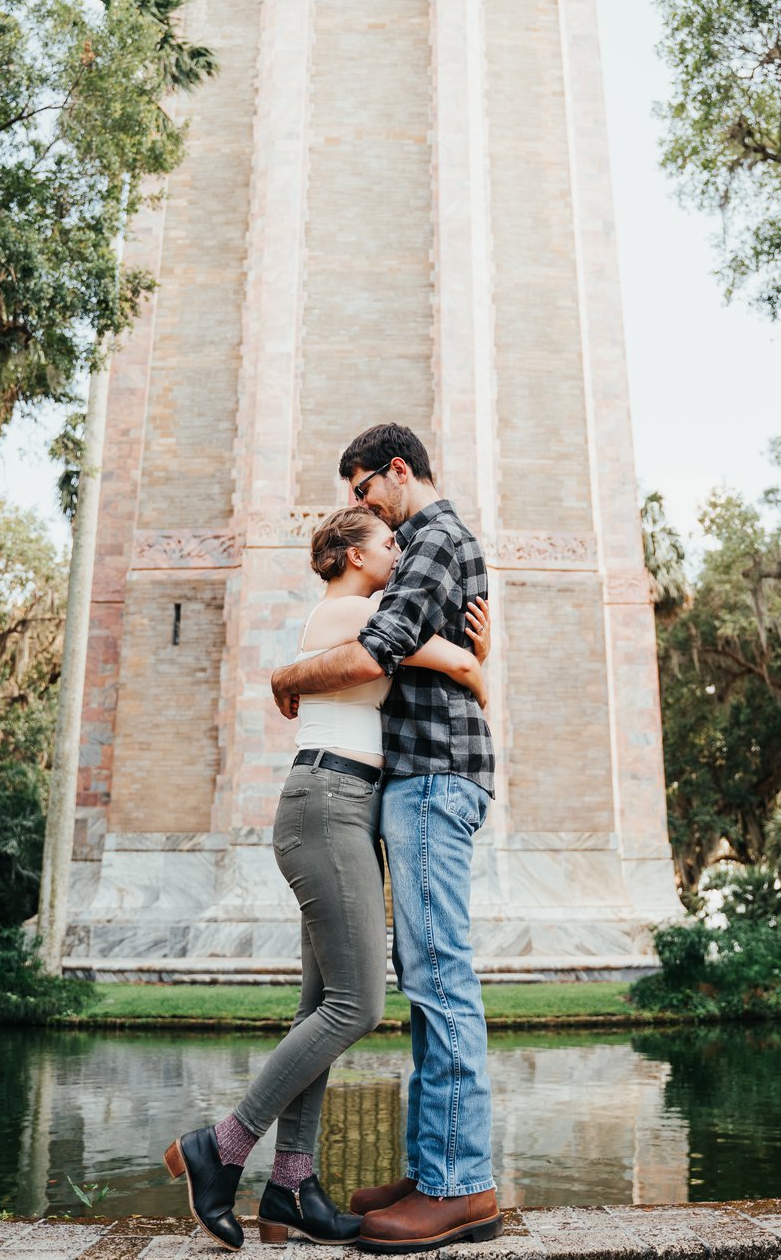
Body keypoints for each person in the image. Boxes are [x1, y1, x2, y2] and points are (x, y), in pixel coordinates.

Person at [164, 505, 489, 1252]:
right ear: (350, 553)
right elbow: (463, 666)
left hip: (335, 807)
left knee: (321, 1003)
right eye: (385, 543)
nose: (399, 550)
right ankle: (224, 1144)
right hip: (329, 805)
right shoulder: (363, 609)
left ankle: (293, 1187)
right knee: (358, 1005)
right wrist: (482, 653)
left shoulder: (347, 611)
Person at [271, 423, 501, 1254]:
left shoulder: (434, 536)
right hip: (421, 774)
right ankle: (435, 1165)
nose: (366, 513)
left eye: (365, 493)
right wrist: (474, 663)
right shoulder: (427, 544)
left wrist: (287, 676)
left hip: (435, 777)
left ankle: (461, 1187)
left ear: (398, 472)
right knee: (423, 974)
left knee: (438, 972)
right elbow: (431, 652)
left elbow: (379, 646)